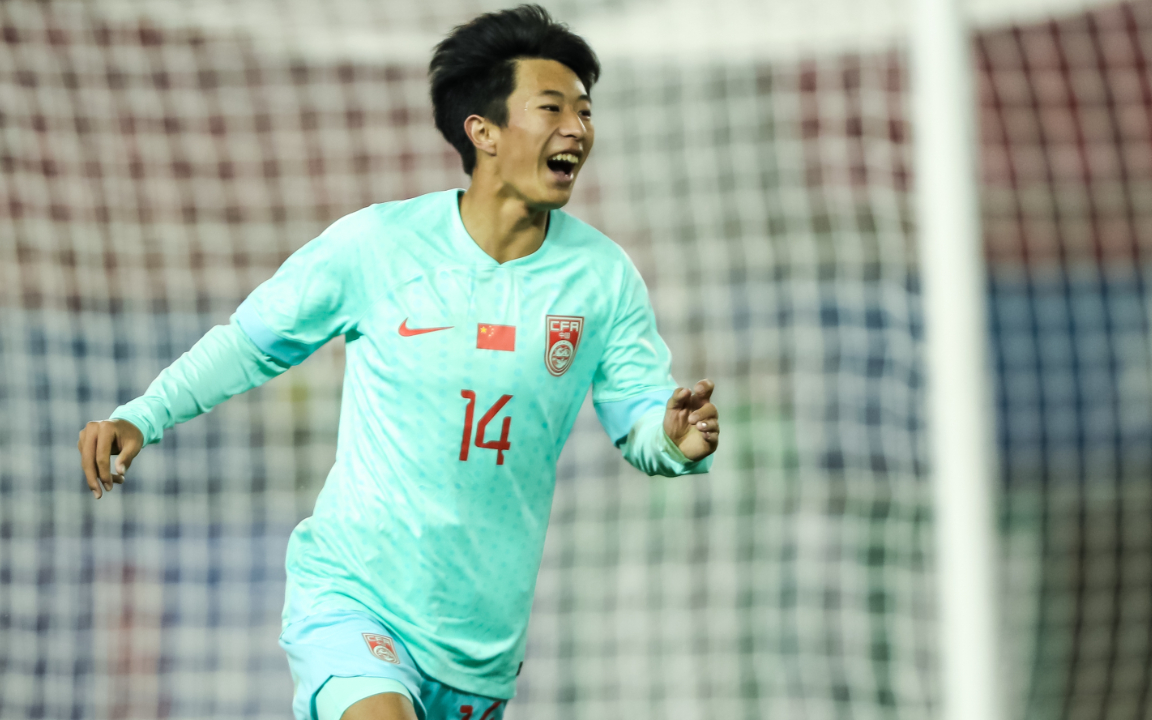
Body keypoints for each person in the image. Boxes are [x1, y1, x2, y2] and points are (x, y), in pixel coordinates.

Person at [77, 5, 719, 719]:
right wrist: (143, 415)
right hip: (354, 596)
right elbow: (250, 343)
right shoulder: (377, 245)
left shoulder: (604, 278)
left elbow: (640, 415)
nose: (577, 128)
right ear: (483, 131)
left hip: (479, 647)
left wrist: (673, 439)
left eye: (585, 111)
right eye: (552, 108)